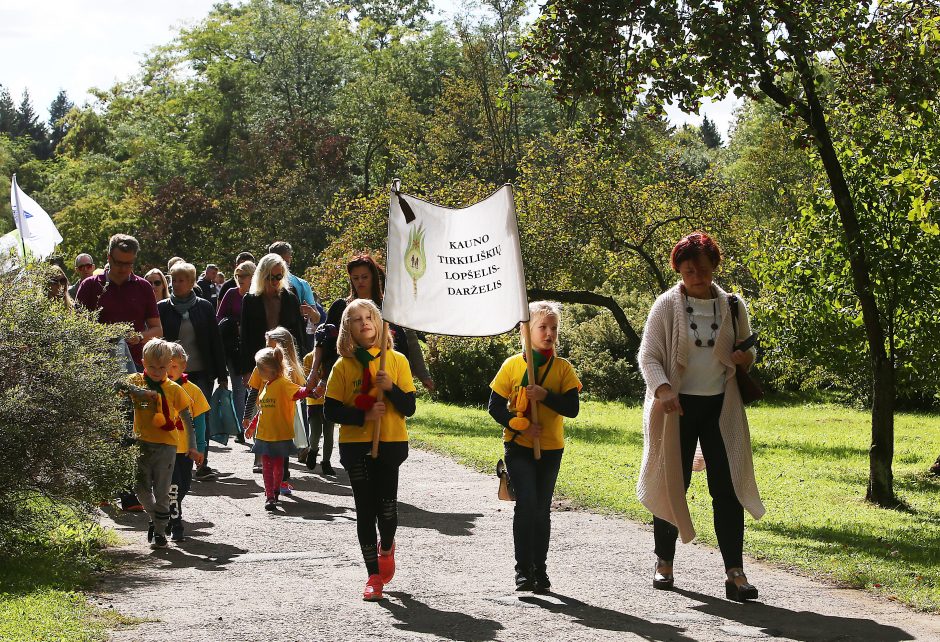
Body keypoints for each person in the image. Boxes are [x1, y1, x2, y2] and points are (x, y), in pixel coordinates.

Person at [637, 231, 763, 602]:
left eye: (704, 269)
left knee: (727, 489)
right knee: (671, 484)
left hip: (721, 408)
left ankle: (735, 573)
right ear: (678, 268)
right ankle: (664, 562)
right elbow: (648, 356)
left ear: (714, 267)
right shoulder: (665, 306)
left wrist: (744, 359)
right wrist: (663, 391)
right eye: (689, 269)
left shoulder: (733, 305)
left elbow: (745, 351)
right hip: (675, 409)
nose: (697, 275)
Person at [324, 299, 416, 601]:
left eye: (370, 317)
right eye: (357, 319)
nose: (365, 322)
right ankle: (373, 576)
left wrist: (390, 387)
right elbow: (331, 410)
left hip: (390, 442)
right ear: (347, 328)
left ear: (379, 323)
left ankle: (387, 545)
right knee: (365, 510)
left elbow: (409, 408)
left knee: (387, 511)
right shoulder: (343, 365)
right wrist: (363, 415)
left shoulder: (397, 361)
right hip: (355, 444)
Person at [488, 301, 581, 593]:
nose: (549, 333)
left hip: (551, 447)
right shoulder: (513, 365)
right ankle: (523, 570)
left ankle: (540, 569)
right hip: (518, 446)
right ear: (526, 331)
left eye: (553, 328)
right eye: (542, 327)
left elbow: (572, 408)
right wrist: (520, 424)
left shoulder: (563, 368)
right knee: (526, 503)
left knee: (542, 508)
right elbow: (493, 406)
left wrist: (545, 395)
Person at [117, 339, 201, 548]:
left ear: (169, 364)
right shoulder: (136, 381)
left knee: (163, 491)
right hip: (141, 443)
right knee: (140, 488)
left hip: (166, 446)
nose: (157, 371)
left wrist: (192, 446)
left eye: (162, 367)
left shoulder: (174, 389)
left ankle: (160, 534)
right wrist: (143, 394)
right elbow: (115, 389)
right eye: (151, 367)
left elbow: (187, 419)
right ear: (142, 362)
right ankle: (157, 519)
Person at [158, 262, 227, 480]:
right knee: (171, 417)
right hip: (170, 376)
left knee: (200, 419)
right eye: (173, 280)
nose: (176, 284)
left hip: (201, 374)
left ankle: (201, 463)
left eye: (181, 280)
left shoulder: (205, 307)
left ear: (191, 282)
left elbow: (215, 342)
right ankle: (172, 463)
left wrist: (222, 375)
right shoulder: (162, 307)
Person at [336, 253, 435, 391]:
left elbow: (410, 339)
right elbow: (331, 343)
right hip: (355, 379)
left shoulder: (391, 306)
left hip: (392, 373)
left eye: (365, 277)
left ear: (373, 278)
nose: (360, 282)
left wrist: (423, 374)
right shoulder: (342, 307)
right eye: (355, 278)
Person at [76, 234, 163, 371]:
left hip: (137, 365)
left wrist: (139, 336)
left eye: (128, 264)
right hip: (98, 366)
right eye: (118, 263)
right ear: (109, 258)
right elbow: (77, 328)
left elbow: (157, 330)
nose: (123, 269)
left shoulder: (144, 287)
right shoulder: (89, 286)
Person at [244, 346, 307, 511]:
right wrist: (252, 426)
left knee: (278, 467)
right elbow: (263, 410)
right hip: (264, 435)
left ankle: (275, 491)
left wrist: (312, 389)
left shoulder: (283, 384)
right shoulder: (267, 386)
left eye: (259, 368)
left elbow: (299, 392)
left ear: (268, 370)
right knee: (267, 467)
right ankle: (269, 496)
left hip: (279, 435)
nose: (257, 372)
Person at [166, 343, 210, 542]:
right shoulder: (158, 389)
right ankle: (176, 525)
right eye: (166, 365)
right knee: (173, 487)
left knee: (183, 486)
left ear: (183, 367)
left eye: (174, 366)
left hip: (186, 449)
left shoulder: (193, 391)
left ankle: (168, 513)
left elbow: (200, 423)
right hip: (165, 449)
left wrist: (200, 448)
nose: (169, 370)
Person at [239, 253, 306, 380]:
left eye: (279, 276)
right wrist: (246, 370)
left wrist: (300, 365)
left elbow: (299, 334)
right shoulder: (250, 300)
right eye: (271, 277)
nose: (275, 281)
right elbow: (245, 337)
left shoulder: (290, 298)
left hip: (287, 363)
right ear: (262, 275)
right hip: (259, 362)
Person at [300, 300, 344, 475]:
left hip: (330, 398)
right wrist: (316, 377)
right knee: (315, 431)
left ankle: (326, 461)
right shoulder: (309, 358)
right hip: (314, 401)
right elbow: (306, 378)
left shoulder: (336, 355)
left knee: (329, 433)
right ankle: (312, 450)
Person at [217, 260, 255, 438]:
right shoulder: (231, 293)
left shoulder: (257, 295)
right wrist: (234, 326)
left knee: (254, 387)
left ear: (252, 277)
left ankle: (256, 425)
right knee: (239, 388)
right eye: (238, 276)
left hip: (254, 348)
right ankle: (243, 429)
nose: (240, 279)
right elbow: (219, 318)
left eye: (244, 276)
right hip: (233, 348)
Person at [268, 241, 323, 351]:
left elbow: (317, 318)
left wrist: (310, 312)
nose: (283, 266)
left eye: (286, 262)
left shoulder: (301, 284)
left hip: (295, 341)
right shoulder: (261, 283)